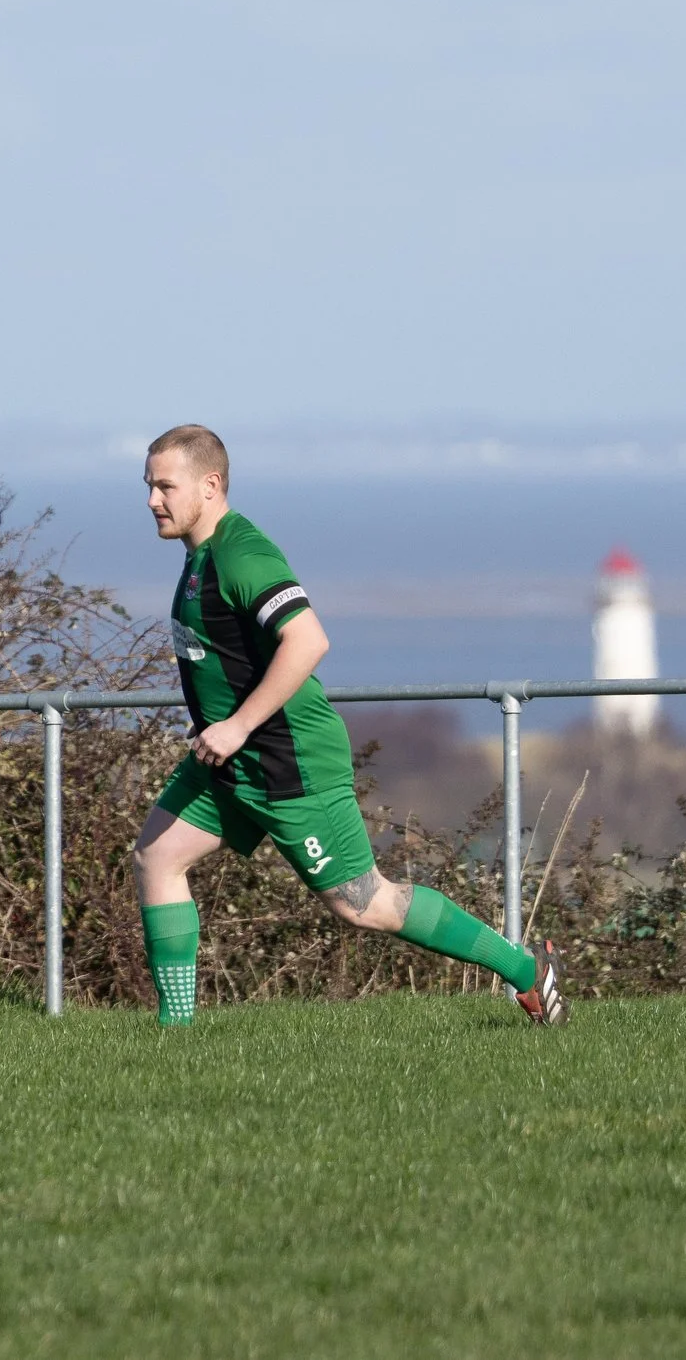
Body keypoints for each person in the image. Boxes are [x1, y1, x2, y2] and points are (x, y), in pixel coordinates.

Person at [133, 424, 566, 1027]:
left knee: (366, 904)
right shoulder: (199, 556)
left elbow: (308, 640)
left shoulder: (242, 554)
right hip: (229, 762)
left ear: (210, 485)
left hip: (289, 763)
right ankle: (174, 1032)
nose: (153, 500)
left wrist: (235, 725)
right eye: (149, 486)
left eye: (164, 486)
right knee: (158, 856)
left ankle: (525, 971)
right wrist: (220, 728)